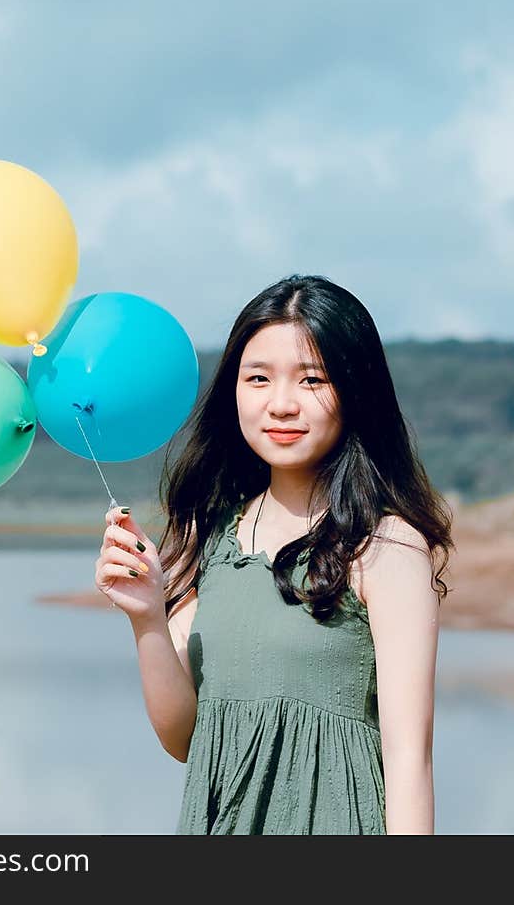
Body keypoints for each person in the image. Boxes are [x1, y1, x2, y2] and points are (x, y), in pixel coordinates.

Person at [94, 274, 454, 835]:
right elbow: (187, 740)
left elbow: (410, 760)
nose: (281, 404)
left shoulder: (385, 545)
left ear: (356, 392)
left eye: (312, 379)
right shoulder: (208, 535)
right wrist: (146, 618)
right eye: (257, 378)